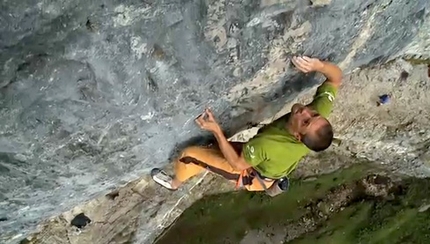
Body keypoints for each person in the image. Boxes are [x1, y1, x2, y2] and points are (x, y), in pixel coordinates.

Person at [151, 56, 343, 192]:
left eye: (305, 121)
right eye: (313, 113)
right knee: (211, 151)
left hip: (249, 171)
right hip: (266, 161)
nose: (305, 111)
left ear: (298, 137)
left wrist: (217, 130)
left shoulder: (269, 145)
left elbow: (237, 163)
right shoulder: (318, 119)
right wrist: (318, 65)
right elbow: (336, 78)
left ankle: (174, 184)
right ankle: (205, 161)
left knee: (189, 155)